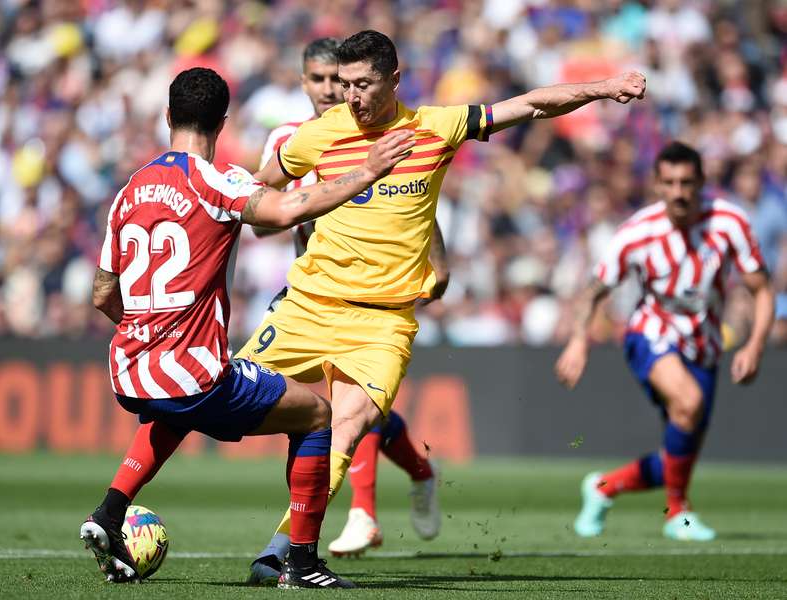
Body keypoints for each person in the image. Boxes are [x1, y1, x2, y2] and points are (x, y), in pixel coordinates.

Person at [241, 29, 646, 580]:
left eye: (362, 84)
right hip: (310, 302)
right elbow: (254, 197)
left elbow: (529, 105)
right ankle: (118, 503)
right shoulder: (313, 135)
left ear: (393, 80)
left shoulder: (435, 127)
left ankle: (286, 549)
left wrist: (604, 86)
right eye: (341, 84)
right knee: (222, 393)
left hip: (382, 316)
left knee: (350, 423)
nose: (349, 95)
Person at [78, 66, 415, 589]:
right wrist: (367, 170)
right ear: (223, 122)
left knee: (177, 406)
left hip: (128, 367)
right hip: (193, 370)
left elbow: (102, 293)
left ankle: (108, 511)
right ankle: (301, 563)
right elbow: (286, 209)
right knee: (317, 415)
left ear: (168, 116)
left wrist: (147, 331)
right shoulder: (219, 181)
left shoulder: (129, 191)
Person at [250, 38, 444, 570]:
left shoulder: (382, 132)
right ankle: (419, 473)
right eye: (319, 80)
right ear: (304, 83)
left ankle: (357, 512)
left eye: (338, 81)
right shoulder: (296, 139)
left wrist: (436, 258)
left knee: (352, 412)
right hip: (307, 293)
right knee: (300, 407)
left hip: (372, 290)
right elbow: (263, 214)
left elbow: (416, 198)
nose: (330, 91)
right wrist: (310, 199)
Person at [556, 142, 774, 541]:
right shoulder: (638, 232)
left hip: (705, 346)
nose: (678, 191)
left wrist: (754, 344)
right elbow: (593, 291)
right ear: (656, 184)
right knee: (688, 405)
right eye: (669, 182)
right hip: (649, 334)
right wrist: (577, 341)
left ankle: (604, 487)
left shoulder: (729, 223)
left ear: (702, 183)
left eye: (687, 182)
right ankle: (679, 514)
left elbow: (762, 288)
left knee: (681, 447)